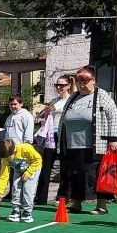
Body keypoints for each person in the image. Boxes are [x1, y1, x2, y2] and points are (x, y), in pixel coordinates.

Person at [58, 65, 117, 215]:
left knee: (96, 174)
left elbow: (113, 116)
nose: (82, 85)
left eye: (85, 81)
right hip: (72, 143)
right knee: (75, 174)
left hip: (95, 144)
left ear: (93, 80)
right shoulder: (73, 97)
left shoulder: (102, 95)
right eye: (79, 82)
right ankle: (76, 203)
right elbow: (63, 118)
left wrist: (113, 138)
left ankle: (101, 206)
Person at [34, 75, 73, 204]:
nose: (59, 87)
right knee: (46, 165)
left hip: (64, 134)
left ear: (68, 86)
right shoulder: (53, 100)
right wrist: (46, 112)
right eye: (57, 85)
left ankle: (62, 196)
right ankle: (40, 197)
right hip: (51, 134)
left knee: (64, 166)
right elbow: (44, 117)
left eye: (62, 85)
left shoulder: (71, 100)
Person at [0, 139, 42, 223]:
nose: (7, 160)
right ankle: (15, 210)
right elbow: (3, 176)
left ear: (14, 152)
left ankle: (27, 212)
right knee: (15, 186)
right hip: (19, 168)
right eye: (5, 159)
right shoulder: (5, 158)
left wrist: (28, 173)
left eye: (9, 158)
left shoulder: (26, 148)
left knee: (28, 189)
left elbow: (38, 160)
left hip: (33, 167)